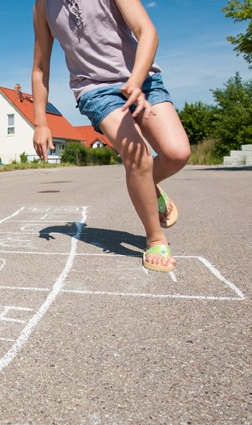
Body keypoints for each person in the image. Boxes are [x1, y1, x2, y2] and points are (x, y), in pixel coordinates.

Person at [32, 0, 191, 272]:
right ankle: (155, 238)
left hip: (142, 77)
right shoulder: (42, 6)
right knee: (137, 156)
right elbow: (40, 69)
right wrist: (41, 122)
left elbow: (147, 32)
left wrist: (136, 80)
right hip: (94, 89)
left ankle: (147, 185)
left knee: (177, 153)